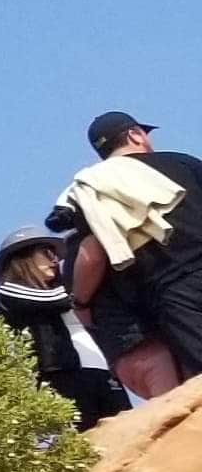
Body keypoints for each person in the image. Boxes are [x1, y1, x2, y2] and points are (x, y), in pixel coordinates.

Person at [66, 110, 202, 397]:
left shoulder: (95, 189)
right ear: (134, 134)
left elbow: (93, 253)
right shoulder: (180, 162)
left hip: (174, 295)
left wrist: (80, 303)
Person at [0, 224, 136, 430]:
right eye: (46, 253)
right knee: (89, 439)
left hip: (101, 372)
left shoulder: (58, 291)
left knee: (128, 428)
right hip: (59, 375)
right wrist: (84, 271)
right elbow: (55, 299)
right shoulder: (7, 290)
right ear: (23, 258)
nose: (55, 260)